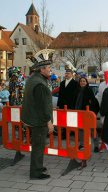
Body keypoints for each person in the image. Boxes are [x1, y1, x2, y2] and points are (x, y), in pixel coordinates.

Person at [21, 49, 54, 180]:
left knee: (37, 145)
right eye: (48, 68)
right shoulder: (40, 84)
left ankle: (37, 166)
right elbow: (43, 106)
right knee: (38, 147)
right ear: (41, 70)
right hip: (38, 121)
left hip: (31, 119)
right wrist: (49, 122)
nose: (50, 70)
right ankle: (36, 172)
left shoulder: (33, 79)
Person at [75, 76, 99, 150]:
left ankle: (96, 146)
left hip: (88, 113)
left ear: (86, 82)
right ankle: (82, 144)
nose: (82, 82)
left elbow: (94, 102)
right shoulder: (77, 90)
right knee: (81, 129)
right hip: (79, 113)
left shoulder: (89, 90)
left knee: (92, 129)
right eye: (81, 81)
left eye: (84, 81)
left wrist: (92, 112)